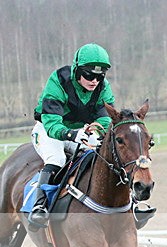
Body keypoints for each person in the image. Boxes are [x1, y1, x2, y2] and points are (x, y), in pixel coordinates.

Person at [29, 43, 115, 230]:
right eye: (89, 75)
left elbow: (105, 119)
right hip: (48, 130)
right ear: (77, 70)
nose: (94, 81)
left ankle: (129, 203)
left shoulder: (103, 87)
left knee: (106, 155)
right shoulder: (59, 80)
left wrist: (98, 132)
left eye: (100, 76)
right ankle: (40, 206)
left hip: (82, 131)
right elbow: (52, 123)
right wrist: (71, 134)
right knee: (57, 158)